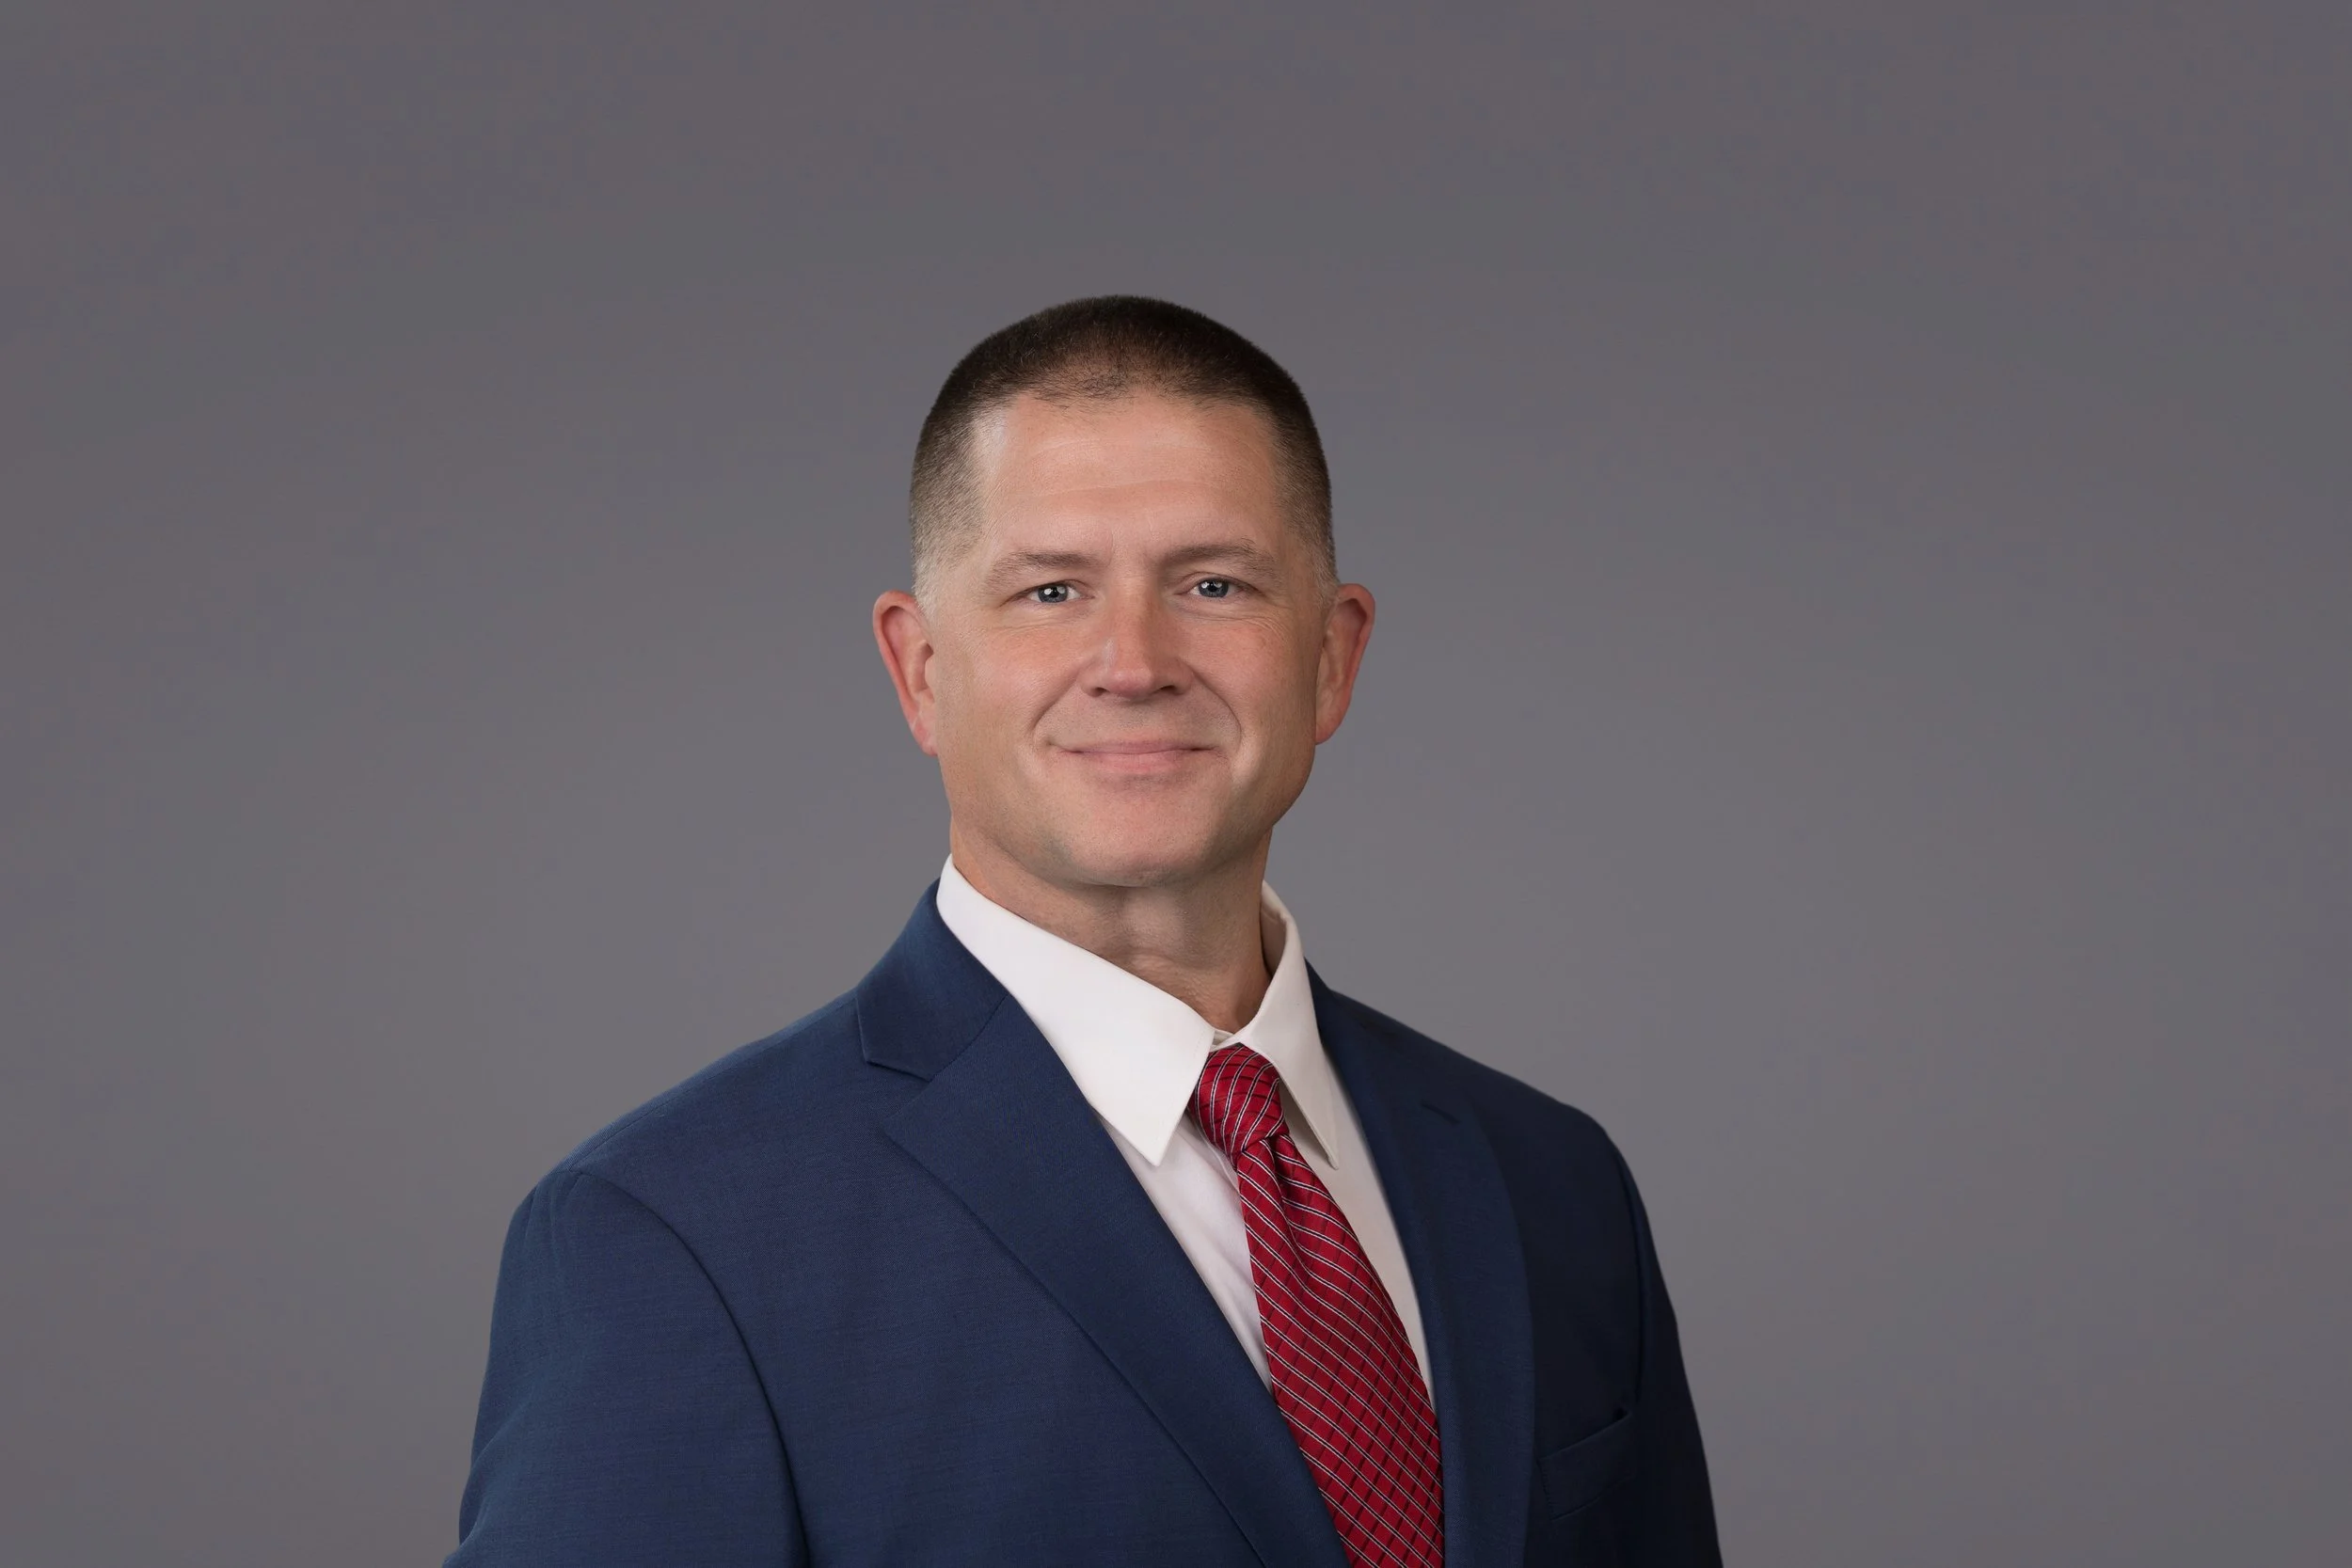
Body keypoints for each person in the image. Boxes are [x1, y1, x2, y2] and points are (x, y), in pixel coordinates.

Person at [446, 296, 1721, 1567]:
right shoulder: (672, 1234)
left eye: (1213, 584)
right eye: (1051, 590)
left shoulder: (1552, 1183)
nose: (1134, 661)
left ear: (1332, 659)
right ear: (921, 671)